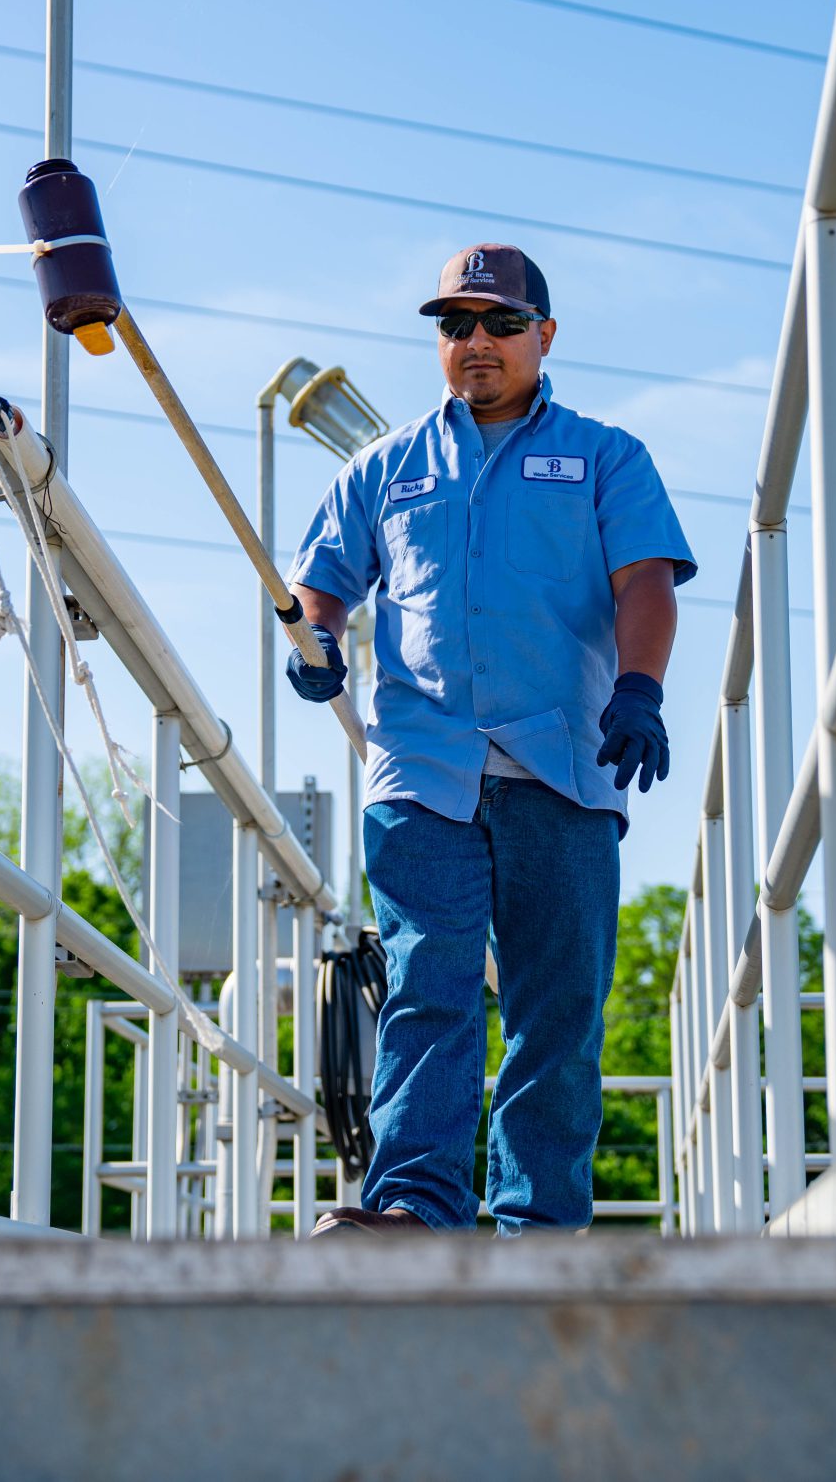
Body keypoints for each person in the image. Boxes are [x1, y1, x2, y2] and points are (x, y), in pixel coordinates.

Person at [286, 244, 693, 1235]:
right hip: (424, 772)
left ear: (543, 337)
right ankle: (415, 1213)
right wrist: (315, 640)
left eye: (501, 323)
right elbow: (322, 581)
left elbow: (644, 578)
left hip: (563, 768)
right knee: (428, 992)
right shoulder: (384, 468)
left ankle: (537, 1234)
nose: (477, 342)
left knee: (555, 1017)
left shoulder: (606, 456)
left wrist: (639, 687)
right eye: (455, 325)